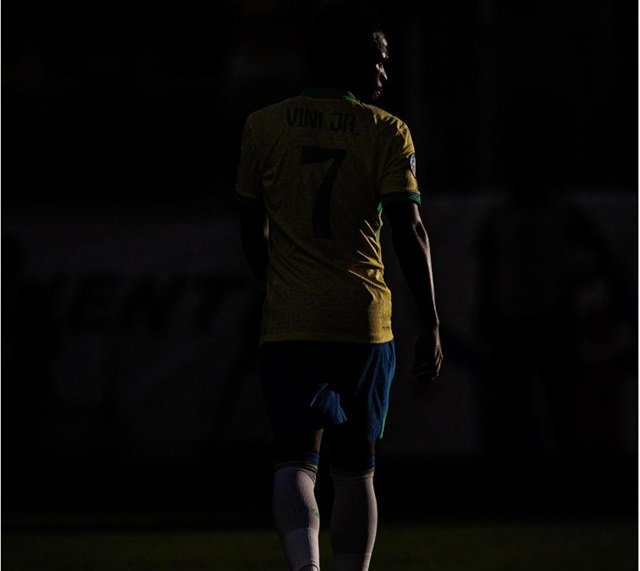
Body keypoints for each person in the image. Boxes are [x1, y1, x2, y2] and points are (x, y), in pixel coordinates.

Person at [235, 2, 442, 569]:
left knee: (295, 458)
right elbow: (409, 229)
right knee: (356, 465)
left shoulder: (263, 125)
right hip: (363, 318)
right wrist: (430, 321)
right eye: (378, 60)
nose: (384, 72)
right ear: (346, 62)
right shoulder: (387, 131)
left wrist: (280, 285)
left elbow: (251, 228)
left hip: (293, 319)